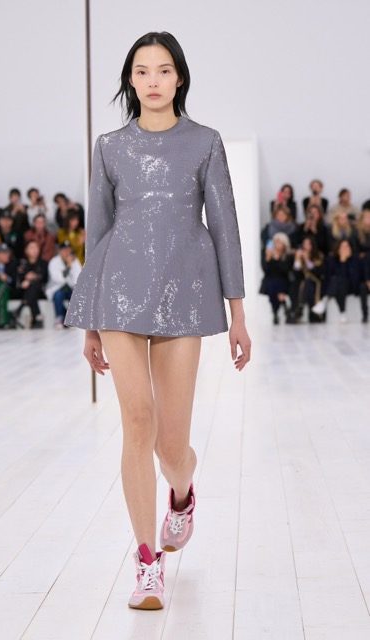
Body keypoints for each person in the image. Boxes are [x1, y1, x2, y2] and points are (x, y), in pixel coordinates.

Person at [64, 32, 251, 610]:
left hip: (184, 294)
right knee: (137, 422)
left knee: (171, 446)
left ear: (179, 78)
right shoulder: (109, 147)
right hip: (118, 293)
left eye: (163, 70)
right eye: (142, 71)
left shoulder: (205, 143)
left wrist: (238, 312)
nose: (152, 80)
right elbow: (97, 232)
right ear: (130, 80)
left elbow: (225, 227)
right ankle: (147, 562)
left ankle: (182, 494)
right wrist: (91, 320)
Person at [312, 239, 360, 322]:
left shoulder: (354, 260)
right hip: (336, 287)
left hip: (351, 286)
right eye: (343, 247)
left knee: (339, 280)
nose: (345, 249)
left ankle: (325, 300)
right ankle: (342, 314)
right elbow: (328, 276)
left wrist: (344, 261)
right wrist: (342, 260)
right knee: (339, 285)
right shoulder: (332, 260)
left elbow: (355, 278)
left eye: (347, 246)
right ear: (338, 249)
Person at [260, 232, 294, 324]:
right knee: (273, 286)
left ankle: (276, 312)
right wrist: (268, 257)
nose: (277, 244)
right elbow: (265, 269)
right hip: (270, 281)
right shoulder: (266, 253)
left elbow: (285, 270)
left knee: (276, 285)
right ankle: (285, 308)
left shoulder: (287, 256)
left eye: (279, 242)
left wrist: (277, 258)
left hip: (283, 280)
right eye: (275, 242)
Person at [46, 240, 81, 328]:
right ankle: (59, 318)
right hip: (57, 288)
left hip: (70, 288)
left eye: (68, 249)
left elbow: (78, 278)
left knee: (76, 295)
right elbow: (58, 279)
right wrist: (68, 266)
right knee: (58, 295)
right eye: (64, 250)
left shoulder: (75, 261)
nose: (67, 252)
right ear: (59, 251)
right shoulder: (54, 262)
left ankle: (73, 319)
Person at [290, 236, 325, 323]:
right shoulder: (299, 256)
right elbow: (296, 274)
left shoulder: (318, 256)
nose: (305, 246)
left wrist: (307, 260)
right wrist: (297, 259)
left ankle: (301, 307)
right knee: (304, 284)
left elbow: (318, 272)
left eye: (308, 244)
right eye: (304, 244)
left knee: (308, 283)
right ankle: (301, 309)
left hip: (316, 282)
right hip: (303, 284)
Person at [16, 240, 48, 328]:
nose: (34, 250)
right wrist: (26, 278)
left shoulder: (43, 263)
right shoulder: (22, 262)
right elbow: (19, 277)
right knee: (31, 288)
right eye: (31, 247)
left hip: (39, 290)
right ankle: (36, 317)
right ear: (26, 250)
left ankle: (21, 307)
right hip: (23, 290)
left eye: (36, 247)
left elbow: (44, 278)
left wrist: (30, 280)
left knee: (33, 287)